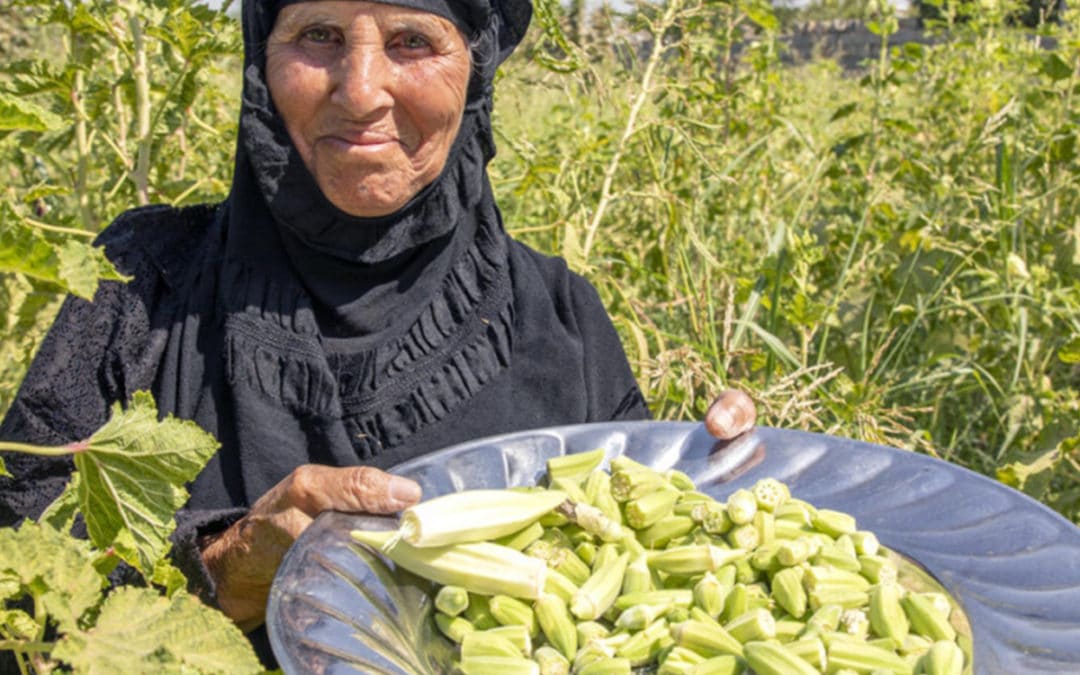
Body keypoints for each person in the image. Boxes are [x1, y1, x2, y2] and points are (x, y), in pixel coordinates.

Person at [0, 0, 755, 665]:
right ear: (261, 56)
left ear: (477, 68)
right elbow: (20, 599)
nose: (361, 91)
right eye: (319, 35)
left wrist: (725, 491)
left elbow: (644, 589)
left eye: (412, 42)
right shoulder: (140, 290)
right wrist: (227, 567)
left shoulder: (561, 319)